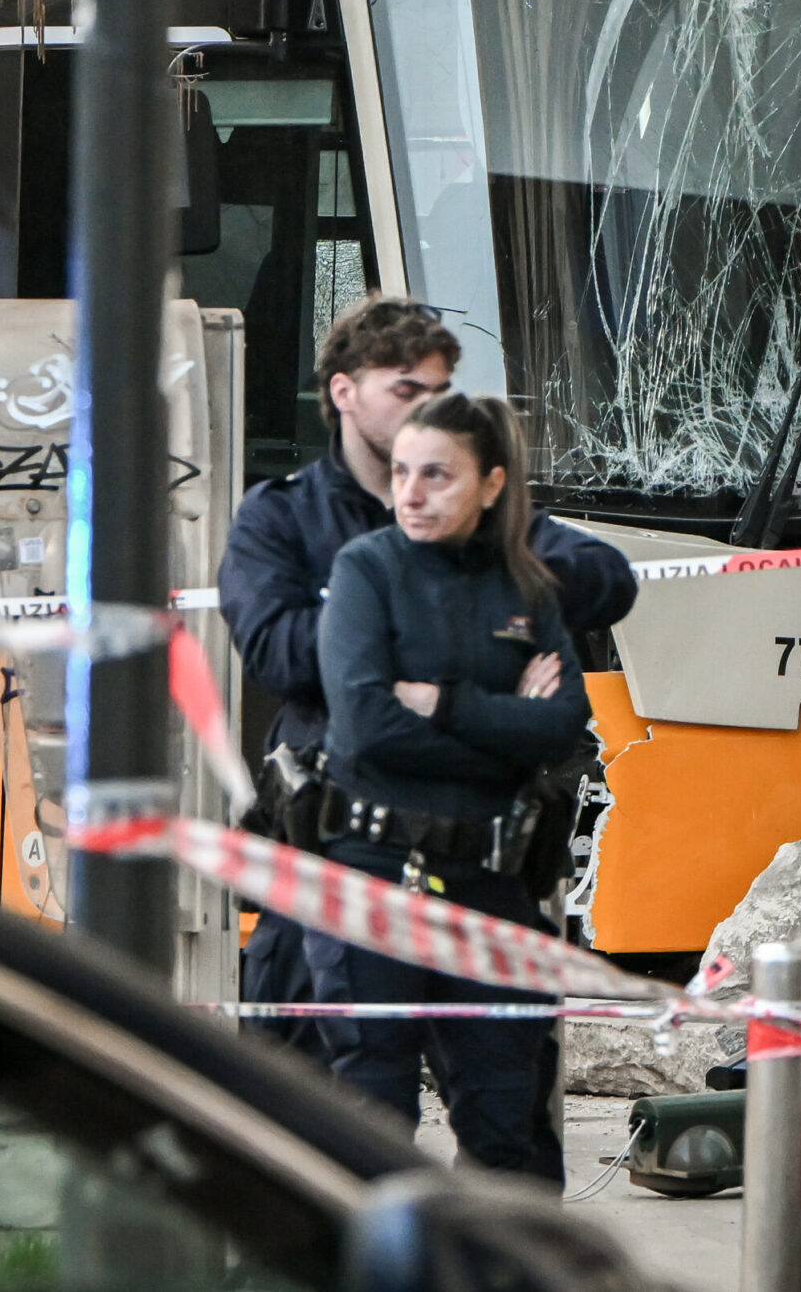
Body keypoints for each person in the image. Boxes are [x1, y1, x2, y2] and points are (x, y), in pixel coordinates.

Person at [217, 295, 636, 1065]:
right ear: (344, 392)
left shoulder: (483, 513)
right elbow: (277, 653)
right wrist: (470, 632)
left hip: (481, 857)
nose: (429, 407)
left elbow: (608, 580)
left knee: (507, 1124)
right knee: (318, 1107)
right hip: (337, 860)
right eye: (406, 390)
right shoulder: (281, 519)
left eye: (440, 391)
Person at [308, 391, 596, 1176]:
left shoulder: (525, 591)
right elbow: (366, 724)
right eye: (401, 471)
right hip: (373, 876)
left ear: (492, 484)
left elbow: (563, 724)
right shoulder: (365, 571)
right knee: (371, 1127)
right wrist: (502, 727)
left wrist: (443, 704)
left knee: (508, 1125)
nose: (411, 491)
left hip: (492, 880)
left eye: (436, 474)